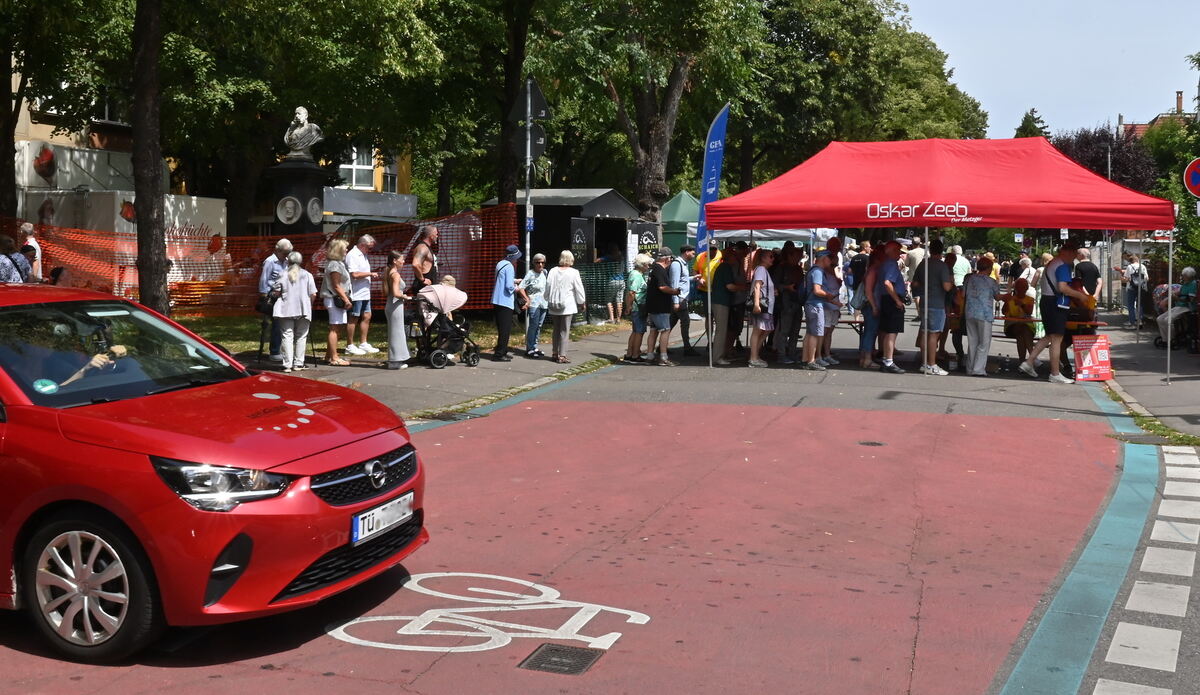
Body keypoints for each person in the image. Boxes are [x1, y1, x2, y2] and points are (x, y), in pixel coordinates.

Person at [1019, 240, 1092, 384]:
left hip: (1046, 301)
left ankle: (1029, 362)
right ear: (1069, 252)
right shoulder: (1062, 266)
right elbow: (1063, 288)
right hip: (1056, 304)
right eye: (1074, 255)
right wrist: (1081, 296)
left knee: (1049, 336)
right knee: (1057, 339)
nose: (1074, 258)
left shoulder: (1051, 264)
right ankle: (1055, 373)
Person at [911, 239, 953, 375]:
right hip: (937, 303)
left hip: (924, 302)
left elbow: (915, 283)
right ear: (941, 251)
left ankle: (924, 363)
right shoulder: (942, 266)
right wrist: (951, 284)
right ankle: (931, 364)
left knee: (924, 332)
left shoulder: (923, 264)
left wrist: (926, 285)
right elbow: (947, 287)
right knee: (933, 334)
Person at [272, 251, 317, 372]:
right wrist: (309, 305)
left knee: (287, 336)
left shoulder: (282, 274)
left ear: (288, 261)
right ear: (300, 262)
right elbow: (313, 293)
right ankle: (298, 363)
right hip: (303, 309)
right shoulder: (307, 275)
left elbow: (276, 292)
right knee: (301, 336)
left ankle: (287, 364)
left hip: (285, 309)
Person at [800, 250, 840, 370]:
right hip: (815, 305)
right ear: (823, 259)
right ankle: (811, 360)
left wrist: (832, 301)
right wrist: (828, 295)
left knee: (810, 333)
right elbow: (817, 290)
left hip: (811, 304)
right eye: (829, 258)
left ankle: (805, 359)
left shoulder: (813, 270)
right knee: (814, 334)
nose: (831, 261)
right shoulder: (818, 272)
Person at [962, 257, 1002, 376]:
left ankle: (970, 368)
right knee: (984, 342)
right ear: (989, 268)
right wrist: (1008, 296)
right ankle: (978, 369)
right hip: (984, 313)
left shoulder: (969, 279)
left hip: (969, 312)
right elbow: (998, 297)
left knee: (972, 341)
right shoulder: (991, 281)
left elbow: (963, 294)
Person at [545, 250, 586, 364]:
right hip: (567, 305)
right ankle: (562, 355)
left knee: (555, 330)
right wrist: (581, 302)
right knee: (564, 330)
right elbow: (579, 288)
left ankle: (554, 353)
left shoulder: (552, 271)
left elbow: (548, 286)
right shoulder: (574, 272)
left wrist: (547, 297)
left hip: (553, 304)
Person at [709, 245, 746, 365]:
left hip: (721, 301)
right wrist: (744, 287)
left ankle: (720, 355)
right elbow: (730, 286)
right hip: (721, 301)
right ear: (729, 257)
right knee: (721, 330)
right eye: (734, 255)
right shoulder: (725, 267)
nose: (736, 257)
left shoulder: (724, 267)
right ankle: (717, 357)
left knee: (722, 329)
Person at [644, 247, 680, 366]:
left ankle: (650, 356)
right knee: (665, 330)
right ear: (667, 259)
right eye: (670, 258)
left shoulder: (653, 268)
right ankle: (663, 357)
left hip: (652, 306)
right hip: (660, 307)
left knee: (653, 331)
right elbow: (662, 287)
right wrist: (674, 291)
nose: (670, 261)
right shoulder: (660, 270)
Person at [257, 238, 292, 362]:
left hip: (283, 296)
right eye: (284, 253)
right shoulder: (270, 261)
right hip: (272, 296)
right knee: (276, 323)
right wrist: (264, 296)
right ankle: (274, 351)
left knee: (282, 323)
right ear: (277, 250)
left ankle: (279, 349)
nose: (286, 256)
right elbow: (264, 279)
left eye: (288, 253)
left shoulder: (286, 261)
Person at [876, 240, 907, 374]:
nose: (900, 254)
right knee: (891, 332)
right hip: (891, 300)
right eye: (898, 251)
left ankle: (885, 358)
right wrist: (897, 300)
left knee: (886, 330)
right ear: (890, 251)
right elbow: (887, 283)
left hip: (886, 299)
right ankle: (888, 361)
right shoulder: (891, 265)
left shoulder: (885, 264)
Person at [344, 234, 379, 356]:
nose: (370, 250)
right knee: (354, 318)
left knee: (367, 316)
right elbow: (354, 274)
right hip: (356, 293)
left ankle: (363, 343)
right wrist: (370, 274)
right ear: (362, 244)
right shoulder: (352, 255)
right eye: (369, 247)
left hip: (365, 293)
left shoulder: (364, 255)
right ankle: (349, 345)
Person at [320, 239, 353, 366]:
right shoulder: (334, 264)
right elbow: (336, 285)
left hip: (335, 299)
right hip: (334, 299)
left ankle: (329, 356)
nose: (346, 250)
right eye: (345, 248)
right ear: (339, 249)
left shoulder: (337, 263)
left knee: (336, 327)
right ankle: (334, 358)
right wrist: (346, 299)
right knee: (334, 328)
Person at [491, 244, 522, 361]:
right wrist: (517, 288)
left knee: (501, 328)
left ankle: (503, 350)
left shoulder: (500, 263)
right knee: (505, 329)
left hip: (497, 299)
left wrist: (515, 280)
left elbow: (502, 279)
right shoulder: (509, 267)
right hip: (505, 301)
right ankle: (499, 354)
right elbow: (509, 286)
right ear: (513, 257)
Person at [774, 246, 804, 364]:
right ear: (790, 255)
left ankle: (791, 353)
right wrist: (787, 287)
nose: (799, 258)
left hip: (797, 301)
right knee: (784, 330)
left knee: (795, 331)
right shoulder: (781, 268)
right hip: (786, 302)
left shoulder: (798, 268)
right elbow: (775, 284)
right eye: (797, 256)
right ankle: (781, 355)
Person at [859, 246, 887, 369]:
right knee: (870, 332)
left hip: (872, 305)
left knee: (870, 332)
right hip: (871, 306)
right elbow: (869, 291)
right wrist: (874, 306)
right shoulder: (873, 270)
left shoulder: (873, 269)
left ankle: (864, 358)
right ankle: (867, 359)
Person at [667, 245, 699, 356]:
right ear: (686, 252)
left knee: (671, 323)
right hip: (680, 299)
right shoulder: (677, 264)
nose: (694, 255)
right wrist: (676, 301)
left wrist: (693, 278)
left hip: (681, 299)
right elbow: (674, 283)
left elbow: (683, 279)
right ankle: (687, 347)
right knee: (685, 322)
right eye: (692, 253)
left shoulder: (683, 264)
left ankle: (662, 345)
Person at [747, 249, 777, 368]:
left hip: (766, 307)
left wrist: (772, 292)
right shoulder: (761, 269)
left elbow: (761, 287)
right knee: (758, 331)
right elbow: (757, 286)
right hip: (762, 307)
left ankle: (755, 355)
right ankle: (753, 358)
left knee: (766, 330)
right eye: (770, 256)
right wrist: (756, 304)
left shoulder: (763, 270)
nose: (773, 258)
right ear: (763, 258)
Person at [819, 237, 845, 366]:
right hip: (827, 300)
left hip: (834, 298)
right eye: (838, 246)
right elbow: (829, 269)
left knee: (829, 330)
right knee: (824, 330)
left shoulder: (835, 257)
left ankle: (827, 354)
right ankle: (820, 354)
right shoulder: (825, 257)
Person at [384, 249, 412, 369]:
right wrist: (405, 296)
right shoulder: (395, 274)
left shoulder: (389, 272)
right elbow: (396, 292)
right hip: (395, 305)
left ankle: (396, 359)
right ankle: (395, 361)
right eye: (402, 260)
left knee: (396, 332)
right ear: (395, 261)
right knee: (397, 332)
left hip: (393, 305)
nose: (404, 261)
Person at [622, 253, 652, 363]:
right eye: (647, 265)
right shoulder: (637, 276)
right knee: (639, 331)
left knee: (635, 331)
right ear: (642, 265)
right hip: (638, 307)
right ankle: (635, 355)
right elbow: (631, 292)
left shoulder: (635, 274)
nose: (648, 267)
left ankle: (630, 353)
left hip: (637, 306)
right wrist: (629, 306)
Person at [520, 253, 550, 358]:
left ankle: (534, 346)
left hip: (544, 303)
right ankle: (529, 348)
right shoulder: (530, 274)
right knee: (533, 325)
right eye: (538, 262)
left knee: (539, 326)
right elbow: (521, 287)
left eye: (542, 262)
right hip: (534, 304)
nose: (540, 265)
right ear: (534, 263)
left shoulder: (545, 272)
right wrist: (527, 299)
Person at [1156, 267, 1197, 342]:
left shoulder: (1193, 285)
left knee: (1167, 320)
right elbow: (1180, 292)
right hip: (1179, 306)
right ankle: (1165, 339)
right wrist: (1173, 293)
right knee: (1159, 319)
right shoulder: (1185, 284)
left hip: (1187, 307)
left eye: (1184, 275)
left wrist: (1177, 298)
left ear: (1188, 276)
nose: (1182, 277)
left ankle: (1171, 338)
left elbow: (1191, 299)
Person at [1002, 278, 1037, 362]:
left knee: (1021, 333)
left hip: (1026, 326)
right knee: (1022, 329)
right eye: (1019, 287)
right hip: (1011, 325)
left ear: (1026, 289)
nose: (1021, 290)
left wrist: (1022, 305)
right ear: (1016, 289)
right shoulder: (1010, 299)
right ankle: (1033, 357)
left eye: (1023, 287)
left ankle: (1022, 362)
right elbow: (1004, 312)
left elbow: (1029, 312)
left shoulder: (1030, 299)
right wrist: (1007, 301)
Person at [1123, 255, 1149, 328]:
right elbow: (1147, 278)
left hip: (1131, 288)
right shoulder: (1143, 266)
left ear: (1130, 261)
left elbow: (1127, 279)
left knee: (1131, 305)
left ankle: (1132, 323)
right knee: (1140, 305)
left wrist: (1124, 279)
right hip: (1142, 288)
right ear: (1137, 260)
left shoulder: (1129, 267)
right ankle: (1140, 321)